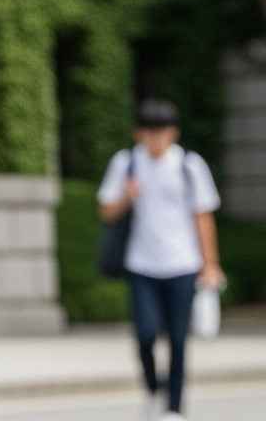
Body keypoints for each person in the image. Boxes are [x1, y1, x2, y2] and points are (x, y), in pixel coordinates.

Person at [97, 98, 224, 420]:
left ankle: (174, 407)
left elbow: (203, 216)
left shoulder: (189, 165)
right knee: (145, 334)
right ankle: (154, 387)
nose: (156, 139)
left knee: (179, 339)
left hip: (183, 263)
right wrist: (128, 196)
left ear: (173, 133)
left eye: (162, 132)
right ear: (139, 134)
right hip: (141, 264)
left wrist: (210, 263)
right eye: (150, 132)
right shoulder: (126, 163)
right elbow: (107, 212)